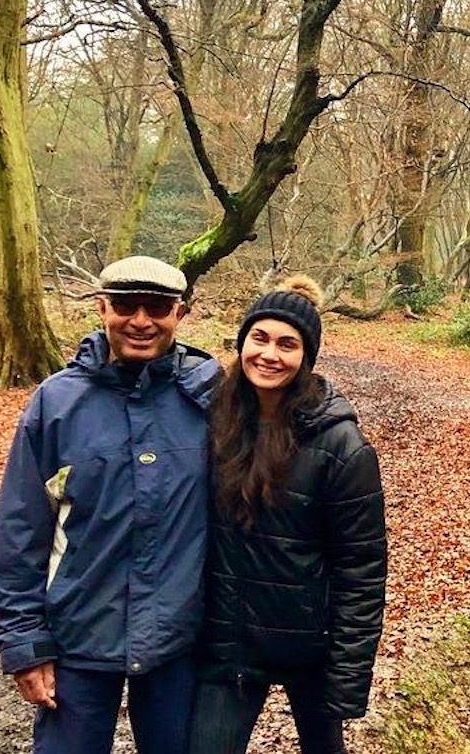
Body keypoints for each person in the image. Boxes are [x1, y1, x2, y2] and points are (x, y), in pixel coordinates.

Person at [0, 255, 222, 754]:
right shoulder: (57, 403)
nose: (141, 320)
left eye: (156, 307)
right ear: (102, 308)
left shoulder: (209, 400)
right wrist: (23, 645)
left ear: (180, 312)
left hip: (177, 639)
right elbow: (20, 529)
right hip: (79, 633)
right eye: (125, 306)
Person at [189, 275, 387, 754]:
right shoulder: (213, 421)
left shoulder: (342, 447)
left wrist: (346, 679)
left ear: (306, 358)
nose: (269, 354)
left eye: (287, 344)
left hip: (310, 648)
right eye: (259, 338)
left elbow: (360, 571)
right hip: (230, 644)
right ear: (242, 343)